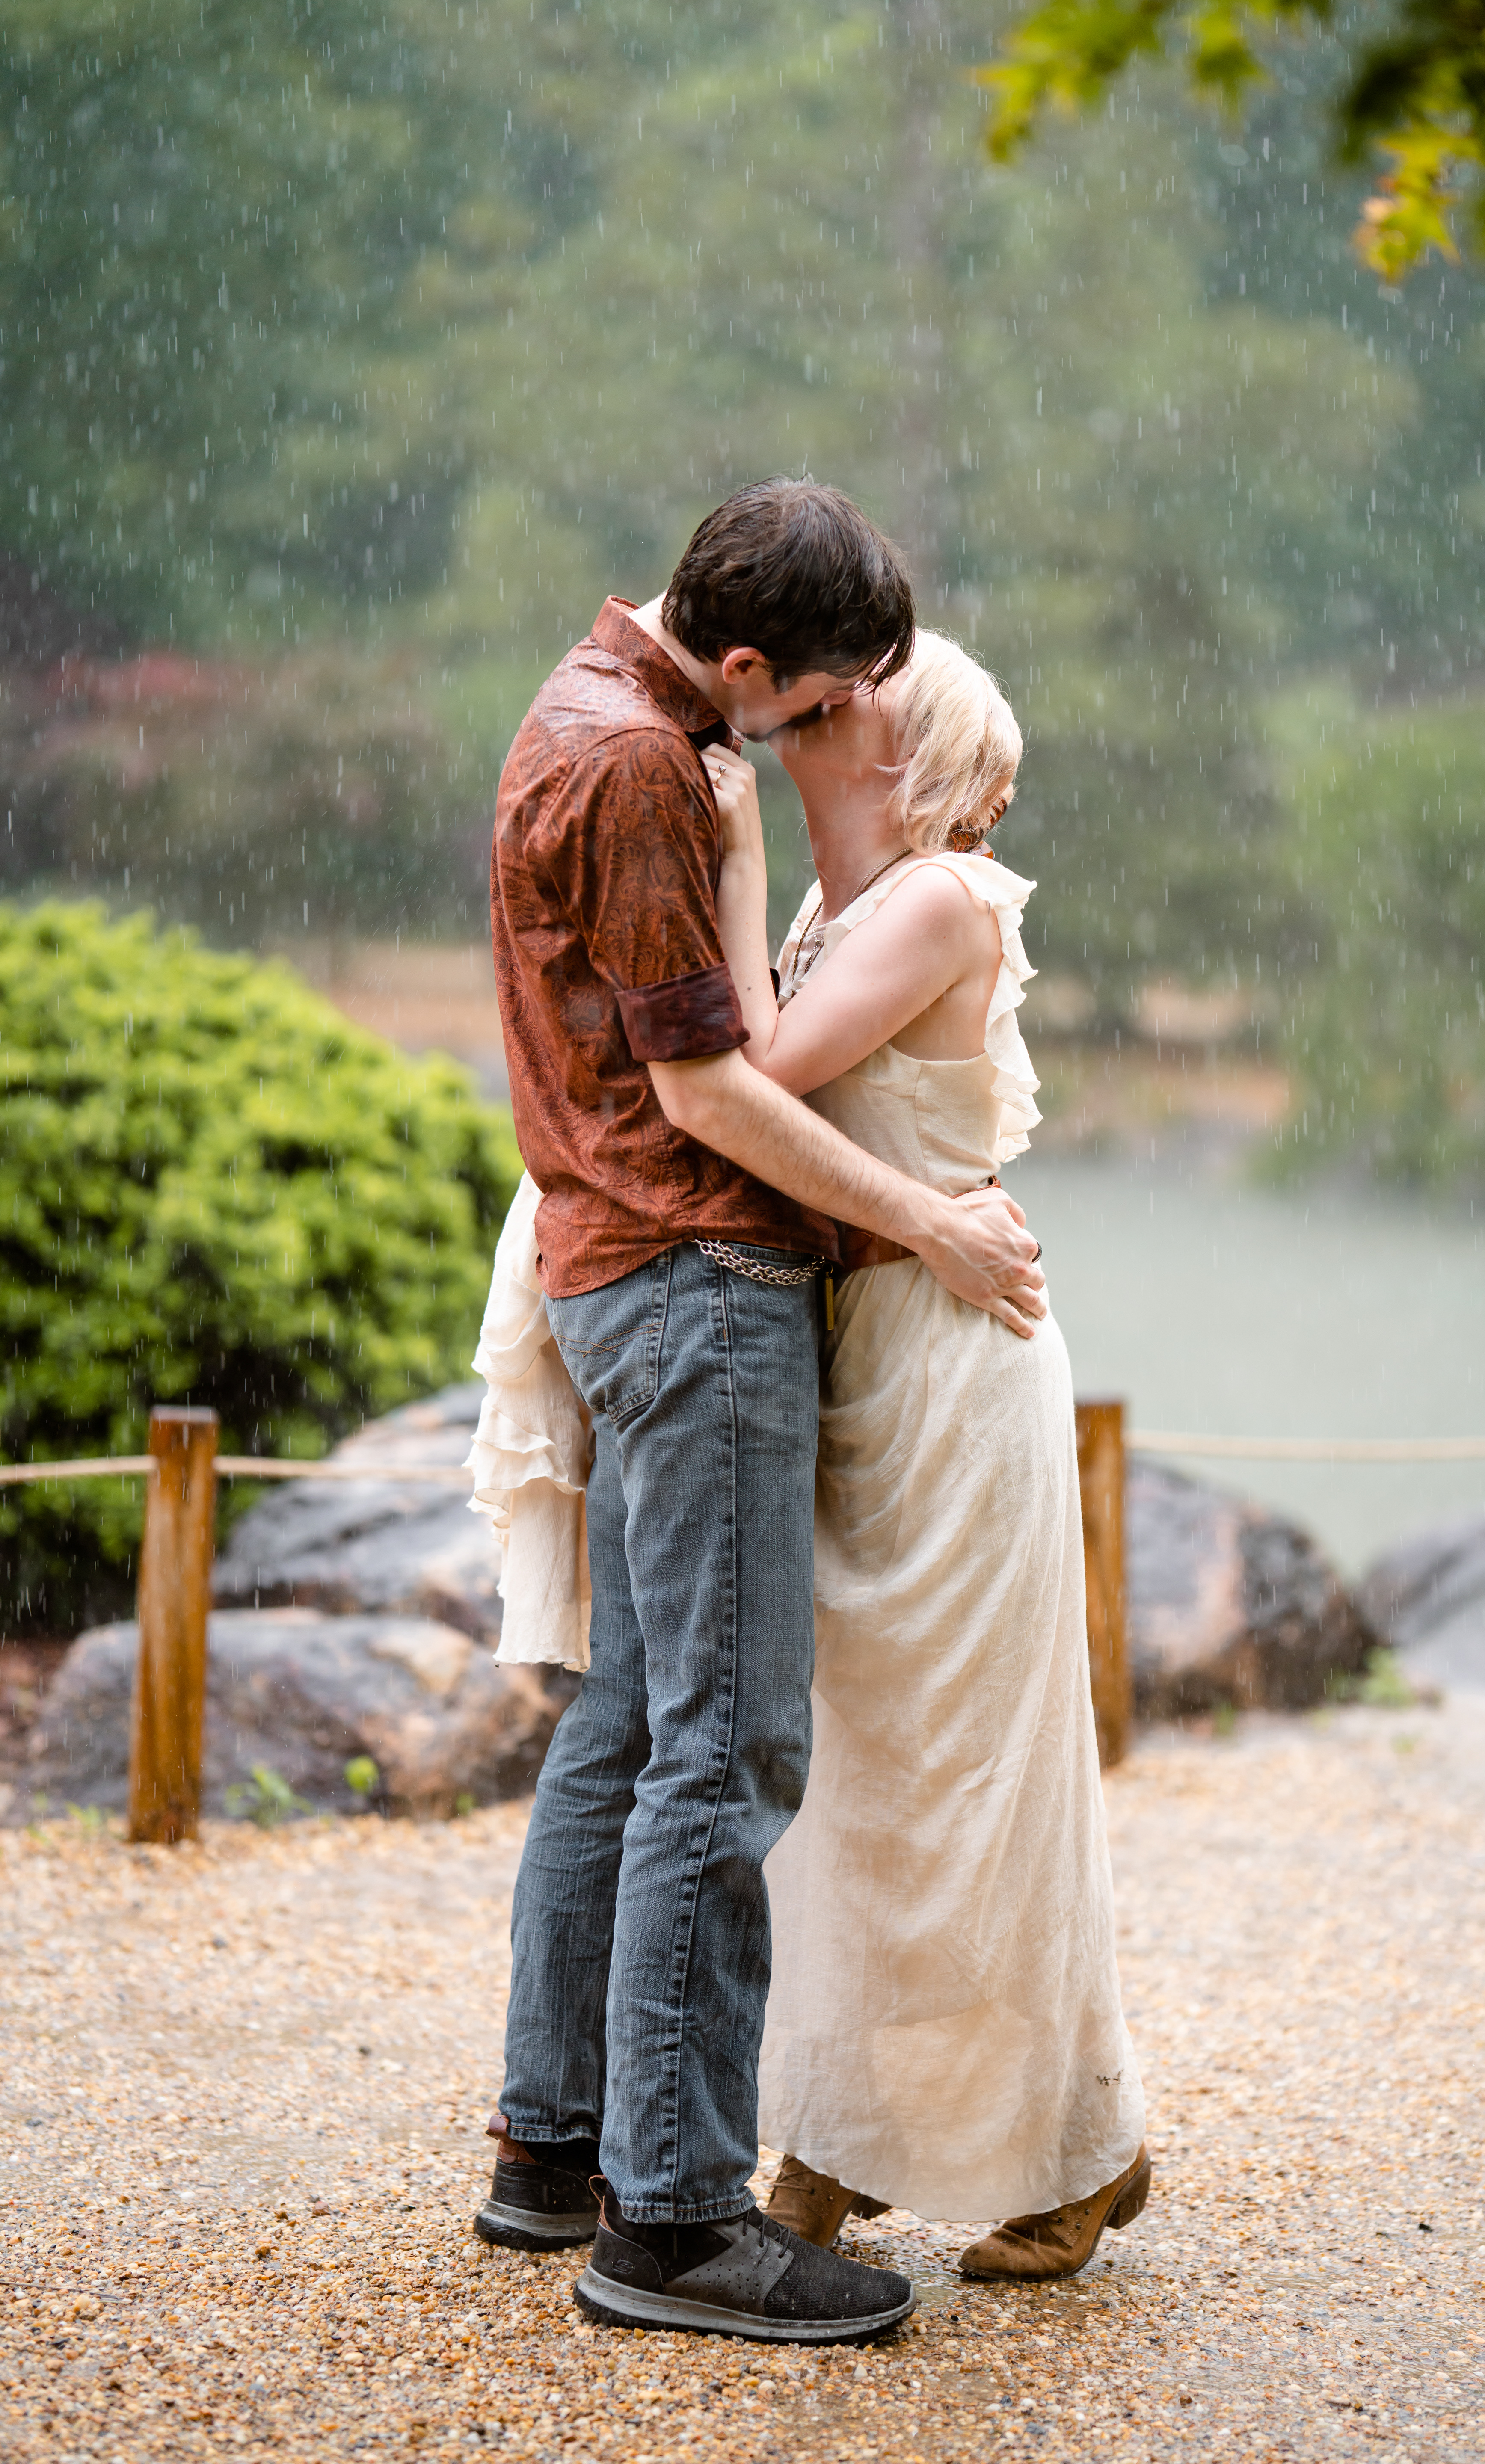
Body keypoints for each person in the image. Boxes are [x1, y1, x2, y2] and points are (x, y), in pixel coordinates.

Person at [476, 480, 1046, 2344]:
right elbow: (712, 1093)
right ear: (739, 664)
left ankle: (555, 2148)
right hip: (698, 1286)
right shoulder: (644, 770)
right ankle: (678, 2220)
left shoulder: (584, 715)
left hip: (613, 1271)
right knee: (729, 1750)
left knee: (634, 1728)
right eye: (810, 699)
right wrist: (932, 1223)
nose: (819, 727)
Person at [700, 628, 1150, 2282]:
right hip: (864, 1358)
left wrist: (735, 853)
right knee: (857, 1771)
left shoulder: (941, 900)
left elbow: (748, 1070)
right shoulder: (846, 911)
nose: (839, 700)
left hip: (958, 1371)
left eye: (870, 694)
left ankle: (1073, 2149)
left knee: (980, 1769)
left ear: (913, 742)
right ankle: (837, 2130)